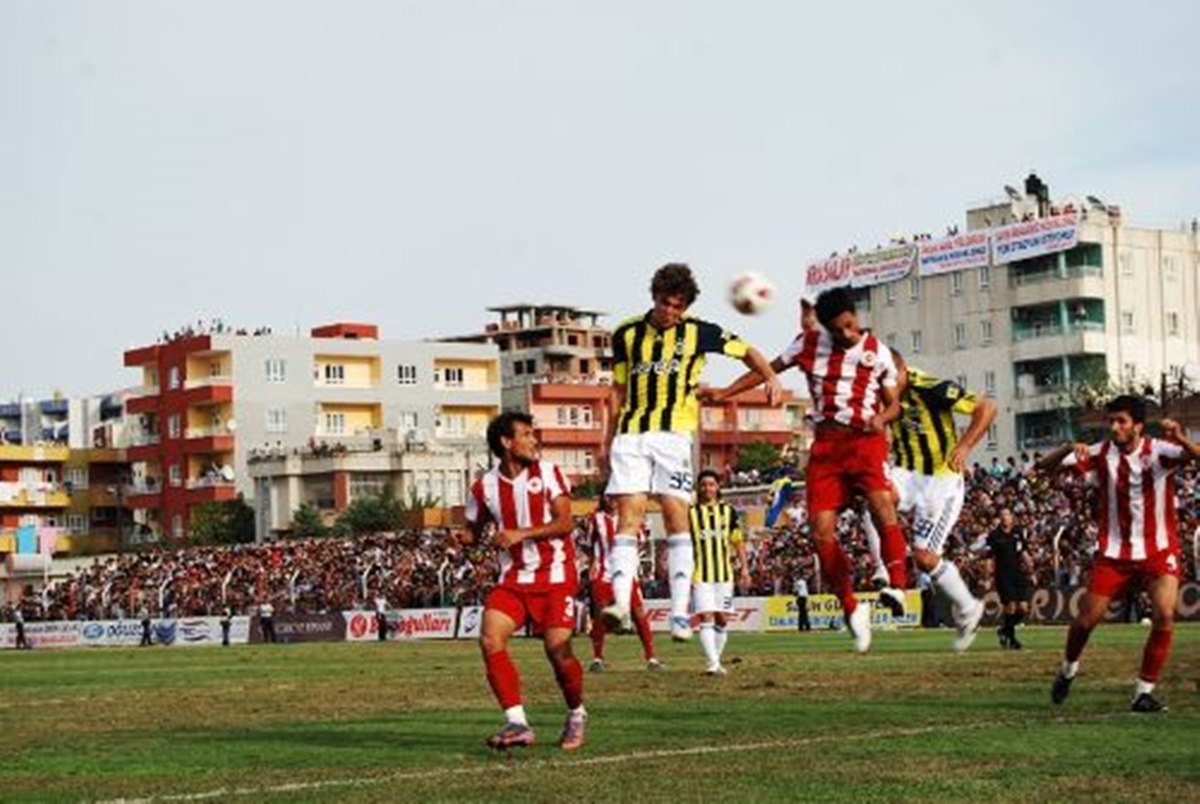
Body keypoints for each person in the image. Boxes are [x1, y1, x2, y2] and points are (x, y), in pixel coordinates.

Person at [708, 285, 905, 652]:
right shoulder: (808, 344)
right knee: (820, 533)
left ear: (855, 318)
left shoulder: (877, 352)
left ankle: (897, 584)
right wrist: (724, 393)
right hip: (826, 449)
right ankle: (852, 608)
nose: (847, 334)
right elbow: (767, 369)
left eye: (850, 325)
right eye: (838, 330)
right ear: (825, 327)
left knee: (881, 504)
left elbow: (895, 404)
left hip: (865, 441)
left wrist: (882, 417)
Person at [600, 263, 783, 642]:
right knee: (629, 516)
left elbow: (748, 352)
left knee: (675, 516)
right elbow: (617, 391)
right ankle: (619, 605)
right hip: (631, 435)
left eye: (678, 306)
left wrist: (769, 376)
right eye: (665, 303)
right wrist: (607, 439)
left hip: (674, 436)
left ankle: (681, 613)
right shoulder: (626, 334)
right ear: (654, 297)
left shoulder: (699, 331)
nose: (671, 311)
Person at [1038, 395, 1200, 713]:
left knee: (1165, 615)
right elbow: (1043, 469)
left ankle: (1143, 693)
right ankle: (1068, 669)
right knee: (1085, 621)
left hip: (1158, 550)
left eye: (1121, 421)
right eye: (1111, 421)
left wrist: (1181, 437)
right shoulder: (1100, 453)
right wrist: (1069, 447)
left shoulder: (1159, 450)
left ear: (1138, 426)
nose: (1114, 427)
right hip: (1114, 554)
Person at [461, 411, 587, 750]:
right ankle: (517, 723)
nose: (535, 440)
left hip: (556, 575)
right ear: (507, 442)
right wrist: (462, 538)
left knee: (558, 652)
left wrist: (522, 533)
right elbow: (472, 531)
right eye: (527, 434)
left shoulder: (549, 473)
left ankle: (576, 713)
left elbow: (565, 523)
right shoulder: (484, 486)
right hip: (513, 579)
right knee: (490, 639)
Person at [882, 357, 997, 651]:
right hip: (906, 472)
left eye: (890, 377)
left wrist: (965, 445)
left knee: (924, 558)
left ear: (903, 371)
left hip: (940, 479)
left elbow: (987, 407)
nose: (885, 384)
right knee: (874, 492)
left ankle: (969, 607)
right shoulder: (878, 390)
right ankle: (884, 574)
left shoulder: (930, 388)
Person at [585, 495, 662, 672]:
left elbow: (641, 541)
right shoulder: (595, 519)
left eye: (614, 496)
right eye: (608, 496)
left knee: (639, 614)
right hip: (604, 574)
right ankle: (597, 658)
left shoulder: (630, 516)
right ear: (603, 498)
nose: (611, 499)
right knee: (601, 615)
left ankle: (651, 657)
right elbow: (588, 544)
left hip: (627, 575)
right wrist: (592, 565)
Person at [688, 470, 751, 674]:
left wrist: (745, 569)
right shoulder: (691, 513)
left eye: (711, 484)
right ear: (699, 488)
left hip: (724, 575)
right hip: (700, 574)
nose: (707, 488)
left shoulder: (728, 512)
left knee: (721, 619)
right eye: (704, 485)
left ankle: (715, 661)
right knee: (706, 617)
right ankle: (712, 664)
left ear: (717, 487)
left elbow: (738, 542)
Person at [984, 508, 1033, 649]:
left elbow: (1023, 551)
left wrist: (1030, 569)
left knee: (1023, 608)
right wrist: (987, 577)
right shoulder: (994, 535)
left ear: (1011, 517)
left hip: (1018, 573)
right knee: (1010, 606)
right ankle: (1012, 639)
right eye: (1002, 515)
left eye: (1007, 515)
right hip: (1003, 574)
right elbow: (989, 558)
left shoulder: (1018, 532)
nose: (1005, 517)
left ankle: (1004, 630)